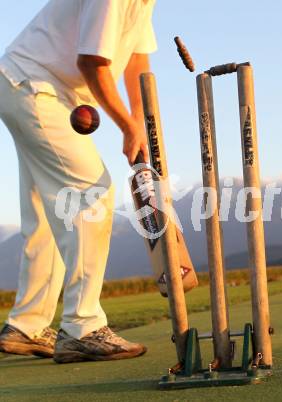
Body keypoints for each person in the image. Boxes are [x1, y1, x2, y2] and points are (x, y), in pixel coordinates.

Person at [0, 0, 156, 363]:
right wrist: (126, 126)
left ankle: (27, 324)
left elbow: (137, 58)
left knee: (47, 213)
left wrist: (141, 120)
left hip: (28, 85)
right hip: (34, 86)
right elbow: (91, 63)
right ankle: (82, 327)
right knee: (92, 194)